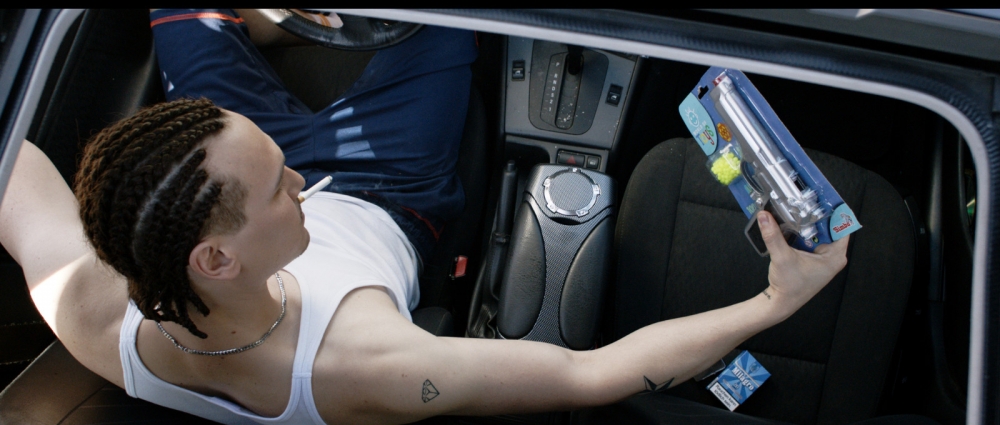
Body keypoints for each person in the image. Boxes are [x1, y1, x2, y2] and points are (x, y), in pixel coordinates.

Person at [0, 9, 850, 425]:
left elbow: (11, 169)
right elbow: (591, 374)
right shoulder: (370, 365)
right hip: (389, 188)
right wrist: (775, 301)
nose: (300, 177)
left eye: (275, 158)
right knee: (447, 25)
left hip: (227, 184)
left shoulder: (86, 305)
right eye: (280, 186)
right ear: (215, 259)